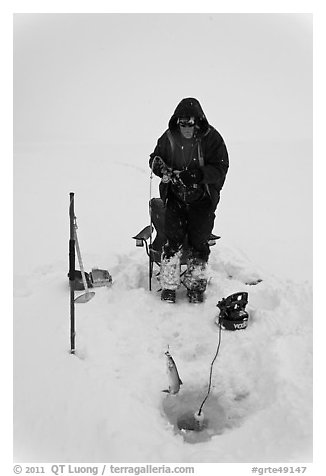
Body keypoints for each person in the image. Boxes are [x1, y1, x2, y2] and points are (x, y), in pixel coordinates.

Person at [149, 97, 229, 303]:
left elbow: (221, 168)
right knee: (172, 242)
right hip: (175, 197)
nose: (185, 128)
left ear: (198, 121)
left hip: (201, 200)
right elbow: (155, 158)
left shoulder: (212, 139)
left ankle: (195, 287)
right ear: (177, 121)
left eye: (190, 123)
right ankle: (168, 287)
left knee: (198, 244)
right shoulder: (168, 138)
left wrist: (197, 175)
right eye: (182, 123)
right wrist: (159, 168)